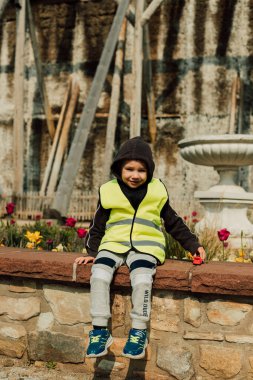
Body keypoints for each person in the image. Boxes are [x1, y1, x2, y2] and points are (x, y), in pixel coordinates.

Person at [75, 136, 206, 359]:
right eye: (129, 169)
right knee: (99, 274)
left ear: (149, 171)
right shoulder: (108, 190)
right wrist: (92, 253)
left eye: (141, 170)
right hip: (113, 244)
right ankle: (99, 331)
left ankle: (138, 331)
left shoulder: (157, 191)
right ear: (119, 168)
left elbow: (173, 222)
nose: (135, 175)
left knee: (142, 279)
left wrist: (193, 245)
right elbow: (97, 225)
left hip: (147, 246)